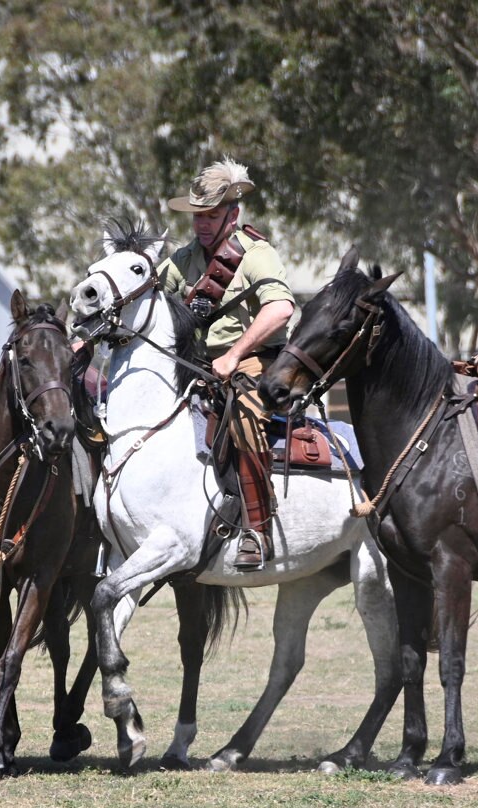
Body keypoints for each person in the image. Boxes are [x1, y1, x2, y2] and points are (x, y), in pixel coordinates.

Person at [158, 157, 296, 570]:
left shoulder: (257, 254)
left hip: (258, 364)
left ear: (232, 215)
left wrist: (234, 355)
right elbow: (147, 295)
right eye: (197, 215)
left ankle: (258, 528)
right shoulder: (182, 260)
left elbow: (281, 309)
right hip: (200, 371)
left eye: (211, 215)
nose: (201, 224)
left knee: (243, 414)